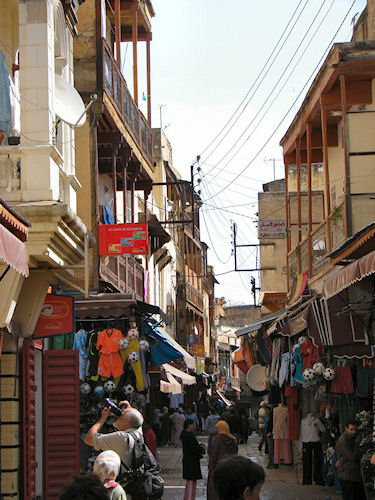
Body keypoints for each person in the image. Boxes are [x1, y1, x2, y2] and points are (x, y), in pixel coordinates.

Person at [84, 401, 143, 474]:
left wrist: (103, 418)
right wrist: (129, 409)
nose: (118, 416)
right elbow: (137, 418)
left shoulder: (121, 438)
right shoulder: (138, 433)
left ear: (127, 421)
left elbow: (89, 439)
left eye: (121, 415)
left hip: (126, 483)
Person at [207, 420, 238, 500]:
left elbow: (214, 453)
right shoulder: (233, 439)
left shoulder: (218, 438)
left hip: (218, 467)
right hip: (230, 467)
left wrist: (211, 467)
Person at [335, 420, 366, 500]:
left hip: (356, 476)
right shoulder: (343, 440)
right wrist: (357, 444)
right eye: (351, 430)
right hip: (347, 476)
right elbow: (352, 457)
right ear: (346, 429)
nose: (353, 432)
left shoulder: (353, 437)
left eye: (355, 430)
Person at [180, 419, 204, 500]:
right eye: (192, 425)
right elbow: (193, 448)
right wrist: (201, 448)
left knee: (191, 482)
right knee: (191, 482)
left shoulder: (184, 435)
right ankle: (190, 498)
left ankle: (188, 497)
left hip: (188, 460)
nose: (193, 427)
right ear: (189, 425)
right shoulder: (189, 436)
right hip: (191, 461)